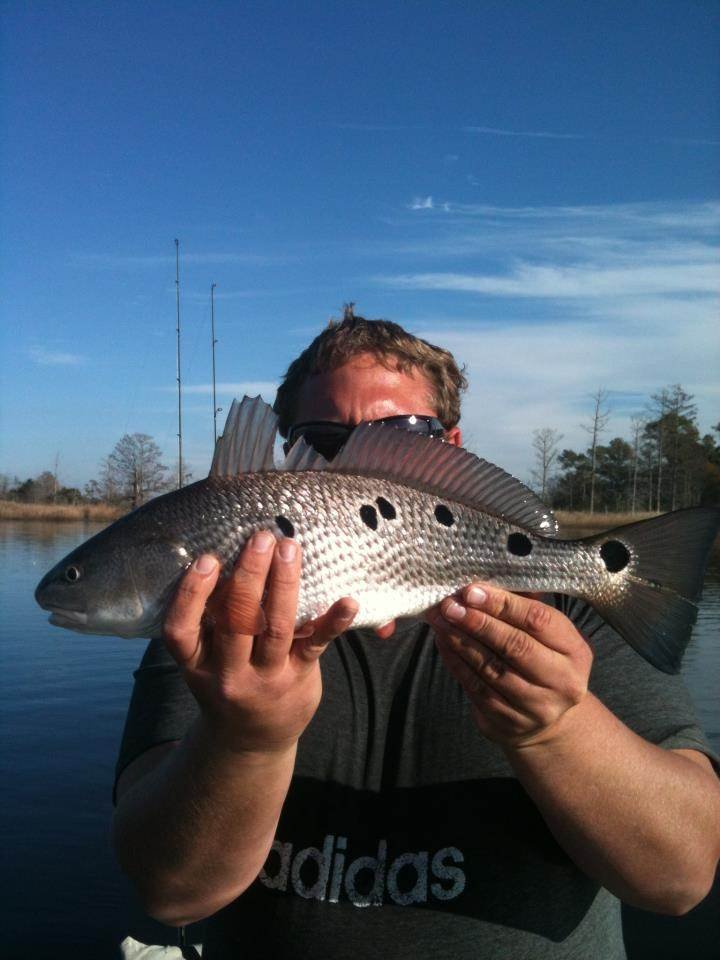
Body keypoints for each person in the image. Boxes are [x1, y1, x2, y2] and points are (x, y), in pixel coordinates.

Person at [113, 307, 720, 959]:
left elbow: (681, 878)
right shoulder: (213, 631)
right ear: (285, 456)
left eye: (402, 434)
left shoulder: (569, 616)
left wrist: (556, 727)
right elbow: (171, 894)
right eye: (322, 441)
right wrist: (243, 738)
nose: (358, 463)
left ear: (450, 447)